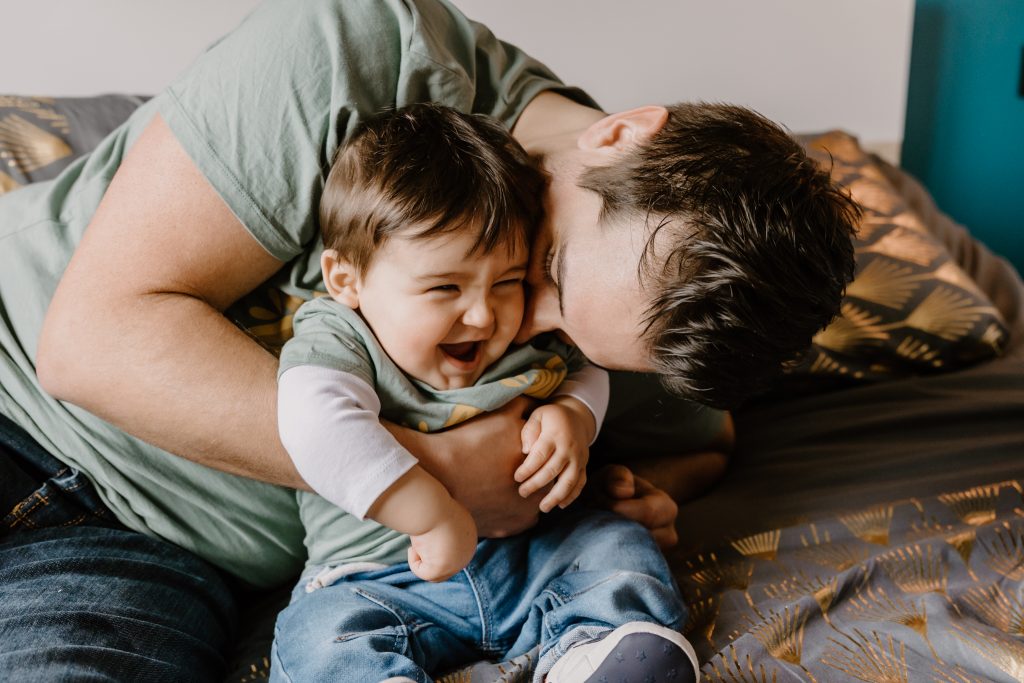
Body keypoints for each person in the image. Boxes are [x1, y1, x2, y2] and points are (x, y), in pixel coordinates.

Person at [0, 0, 856, 678]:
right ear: (621, 132)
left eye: (576, 342)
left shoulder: (640, 323)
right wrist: (437, 480)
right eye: (547, 268)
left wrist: (624, 491)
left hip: (148, 551)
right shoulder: (361, 48)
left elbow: (705, 447)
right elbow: (86, 341)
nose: (512, 327)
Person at [273, 101, 700, 682]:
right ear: (348, 280)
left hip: (535, 556)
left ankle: (594, 649)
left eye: (506, 281)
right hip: (379, 576)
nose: (482, 315)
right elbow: (314, 423)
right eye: (444, 286)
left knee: (615, 546)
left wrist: (575, 414)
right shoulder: (340, 334)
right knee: (319, 633)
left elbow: (581, 369)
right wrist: (432, 515)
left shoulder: (524, 328)